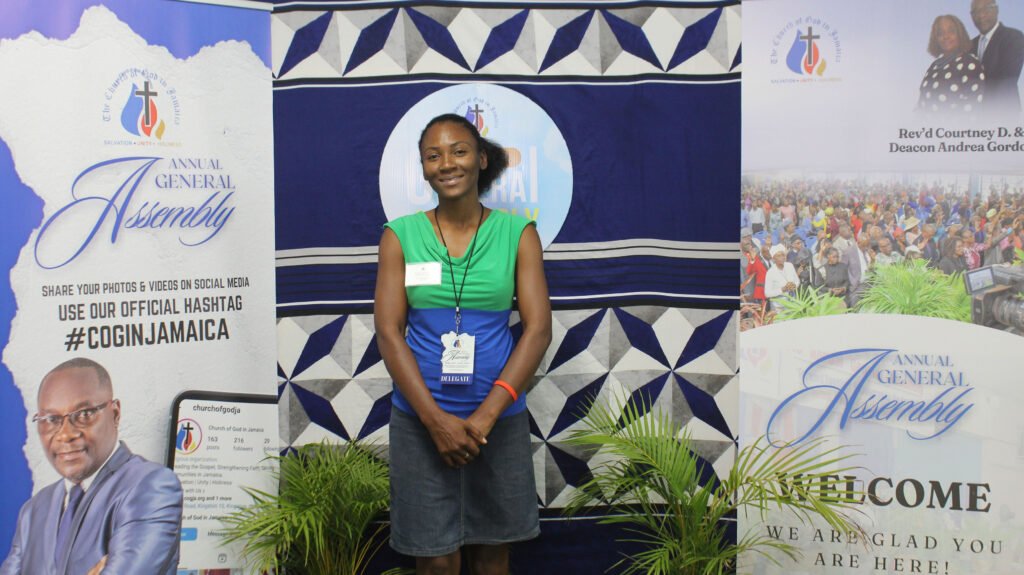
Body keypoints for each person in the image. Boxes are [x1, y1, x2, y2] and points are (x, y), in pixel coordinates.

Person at [374, 113, 551, 575]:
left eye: (458, 150)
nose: (446, 163)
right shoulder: (400, 236)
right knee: (435, 559)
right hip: (419, 422)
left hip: (499, 422)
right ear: (424, 168)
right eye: (433, 155)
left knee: (493, 555)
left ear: (481, 159)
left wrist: (486, 416)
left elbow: (537, 330)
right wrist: (435, 422)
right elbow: (389, 332)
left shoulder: (518, 234)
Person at [2, 358, 182, 575]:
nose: (66, 434)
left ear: (115, 413)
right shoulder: (33, 510)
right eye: (51, 419)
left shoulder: (151, 487)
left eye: (84, 415)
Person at [918, 15, 986, 115]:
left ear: (960, 35)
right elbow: (921, 105)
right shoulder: (935, 65)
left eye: (951, 31)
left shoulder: (970, 65)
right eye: (940, 33)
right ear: (936, 39)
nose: (946, 36)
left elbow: (970, 112)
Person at [970, 0, 1024, 114]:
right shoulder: (969, 46)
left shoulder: (1014, 37)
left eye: (986, 9)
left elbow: (1007, 79)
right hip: (974, 118)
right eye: (975, 12)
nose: (981, 15)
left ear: (996, 10)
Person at [764, 245, 800, 310]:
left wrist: (794, 285)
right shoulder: (770, 272)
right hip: (778, 305)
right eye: (779, 256)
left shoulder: (789, 265)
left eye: (783, 255)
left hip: (792, 300)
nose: (782, 257)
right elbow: (767, 293)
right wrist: (782, 289)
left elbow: (797, 281)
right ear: (773, 258)